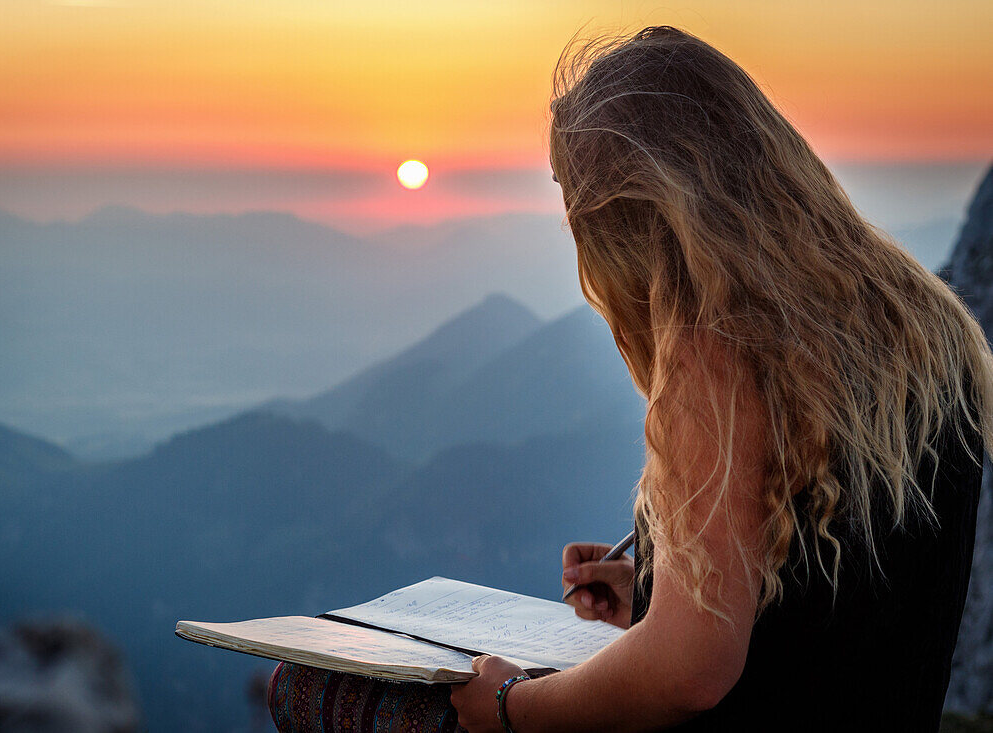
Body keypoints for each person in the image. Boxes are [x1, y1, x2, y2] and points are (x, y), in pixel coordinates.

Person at [268, 25, 992, 732]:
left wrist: (508, 705)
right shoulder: (920, 320)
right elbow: (840, 597)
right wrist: (655, 589)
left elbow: (692, 672)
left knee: (306, 686)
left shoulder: (718, 346)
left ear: (627, 216)